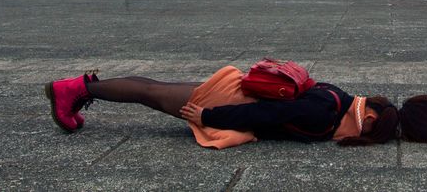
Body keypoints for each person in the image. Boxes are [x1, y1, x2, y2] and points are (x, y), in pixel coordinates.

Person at [45, 66, 398, 148]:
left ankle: (81, 88)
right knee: (150, 93)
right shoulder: (324, 113)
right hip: (228, 101)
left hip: (233, 91)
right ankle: (75, 88)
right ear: (368, 116)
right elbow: (267, 114)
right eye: (370, 130)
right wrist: (208, 116)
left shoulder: (338, 97)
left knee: (154, 90)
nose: (362, 137)